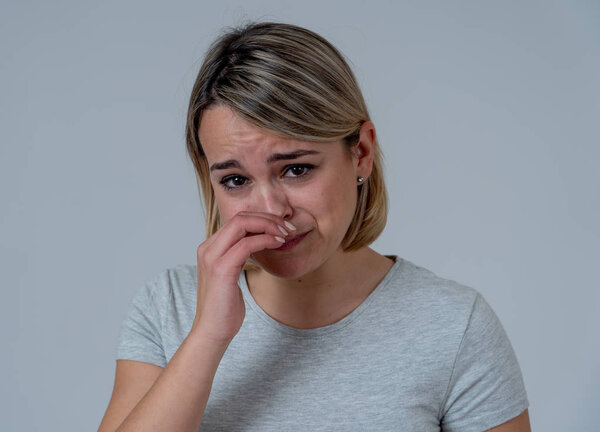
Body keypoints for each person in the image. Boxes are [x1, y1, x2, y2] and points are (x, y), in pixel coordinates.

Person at [98, 22, 530, 432]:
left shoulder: (454, 326)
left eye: (296, 169)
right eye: (235, 180)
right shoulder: (168, 308)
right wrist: (209, 335)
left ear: (360, 152)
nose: (271, 209)